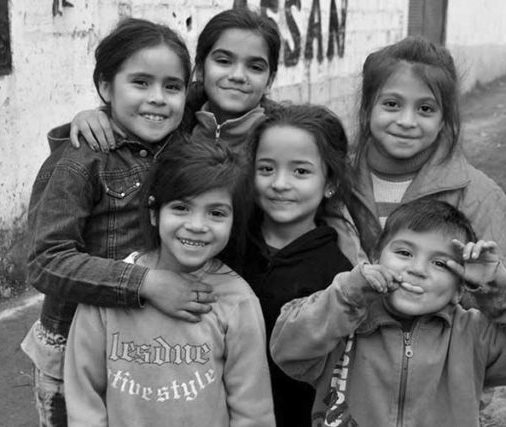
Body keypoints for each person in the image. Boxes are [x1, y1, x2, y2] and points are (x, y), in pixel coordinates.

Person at [20, 19, 213, 426]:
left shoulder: (183, 151)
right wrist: (145, 283)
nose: (157, 98)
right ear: (106, 87)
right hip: (73, 351)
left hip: (147, 349)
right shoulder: (79, 161)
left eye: (172, 86)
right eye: (140, 83)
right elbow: (45, 260)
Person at [270, 199, 506, 427]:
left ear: (460, 287)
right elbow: (287, 348)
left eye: (440, 263)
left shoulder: (473, 336)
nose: (417, 269)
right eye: (404, 253)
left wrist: (497, 287)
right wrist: (349, 293)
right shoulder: (343, 319)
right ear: (375, 257)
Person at [64, 140, 275, 427]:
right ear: (154, 212)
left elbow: (253, 410)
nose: (197, 225)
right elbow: (84, 397)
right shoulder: (109, 287)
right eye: (181, 208)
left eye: (216, 213)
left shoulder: (237, 301)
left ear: (233, 222)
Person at [232, 104, 359, 426]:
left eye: (300, 171)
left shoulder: (337, 275)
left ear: (330, 182)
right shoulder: (227, 244)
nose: (279, 183)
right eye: (266, 168)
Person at [348, 36, 506, 265]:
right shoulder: (334, 181)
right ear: (367, 109)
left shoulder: (481, 197)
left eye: (425, 109)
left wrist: (479, 280)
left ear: (443, 120)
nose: (407, 121)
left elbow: (494, 282)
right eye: (392, 104)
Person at [68, 7, 281, 153]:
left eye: (255, 67)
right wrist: (95, 116)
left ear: (270, 81)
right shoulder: (172, 122)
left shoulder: (285, 135)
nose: (238, 76)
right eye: (224, 61)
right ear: (200, 70)